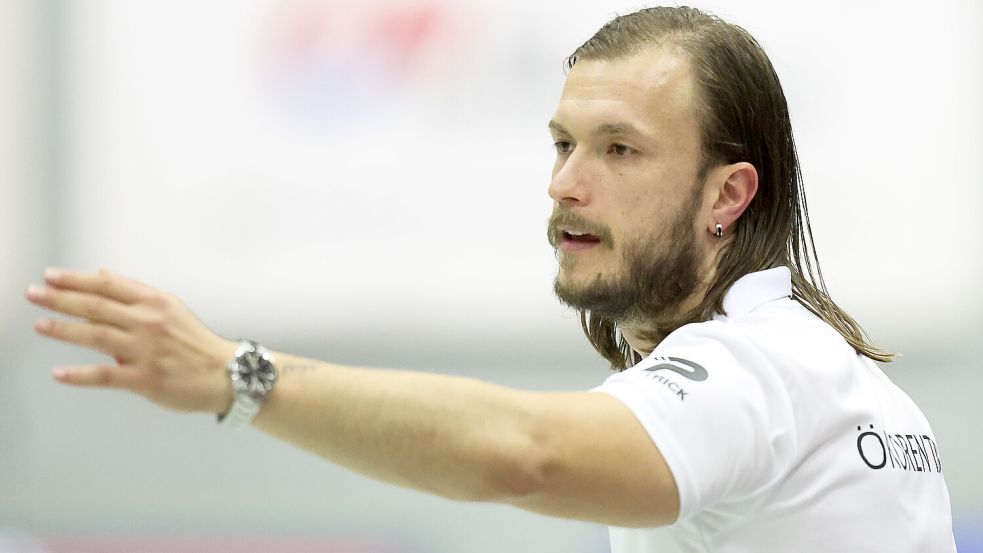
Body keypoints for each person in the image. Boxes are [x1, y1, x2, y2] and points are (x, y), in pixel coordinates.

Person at [25, 6, 956, 552]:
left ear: (728, 194)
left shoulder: (757, 372)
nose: (564, 183)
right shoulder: (828, 370)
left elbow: (522, 452)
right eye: (561, 143)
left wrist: (241, 376)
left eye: (619, 149)